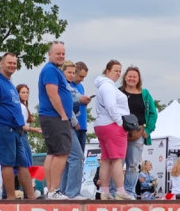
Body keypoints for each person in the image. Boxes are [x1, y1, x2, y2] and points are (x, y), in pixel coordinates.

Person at [0, 52, 36, 201]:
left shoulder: (10, 83)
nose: (12, 66)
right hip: (4, 128)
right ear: (1, 63)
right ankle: (10, 198)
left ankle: (31, 197)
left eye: (14, 63)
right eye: (9, 62)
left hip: (16, 130)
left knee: (23, 164)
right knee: (7, 163)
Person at [92, 59, 133, 200]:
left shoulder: (103, 86)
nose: (118, 73)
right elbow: (111, 106)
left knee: (106, 159)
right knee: (117, 159)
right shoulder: (108, 87)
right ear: (107, 71)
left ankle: (104, 190)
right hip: (112, 124)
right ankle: (120, 191)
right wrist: (121, 122)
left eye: (120, 71)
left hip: (102, 124)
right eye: (116, 70)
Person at [37, 41, 73, 199]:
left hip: (51, 116)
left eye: (63, 53)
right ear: (50, 54)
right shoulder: (50, 70)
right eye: (58, 53)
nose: (61, 56)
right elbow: (53, 94)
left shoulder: (53, 70)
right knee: (62, 152)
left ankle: (50, 189)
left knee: (52, 153)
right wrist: (63, 114)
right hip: (54, 116)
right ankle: (54, 189)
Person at [119, 66, 158, 194]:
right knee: (118, 163)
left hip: (138, 132)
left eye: (134, 76)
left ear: (138, 79)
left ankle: (129, 191)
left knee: (133, 165)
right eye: (129, 76)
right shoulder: (118, 92)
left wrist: (148, 130)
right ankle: (116, 191)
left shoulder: (145, 94)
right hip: (120, 132)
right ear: (125, 77)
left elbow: (153, 113)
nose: (131, 78)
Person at [58, 60, 86, 198]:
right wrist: (75, 122)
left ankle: (64, 191)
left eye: (73, 73)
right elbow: (66, 106)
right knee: (77, 156)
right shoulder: (63, 86)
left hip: (66, 124)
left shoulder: (68, 86)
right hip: (65, 124)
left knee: (68, 159)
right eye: (69, 72)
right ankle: (72, 192)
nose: (71, 75)